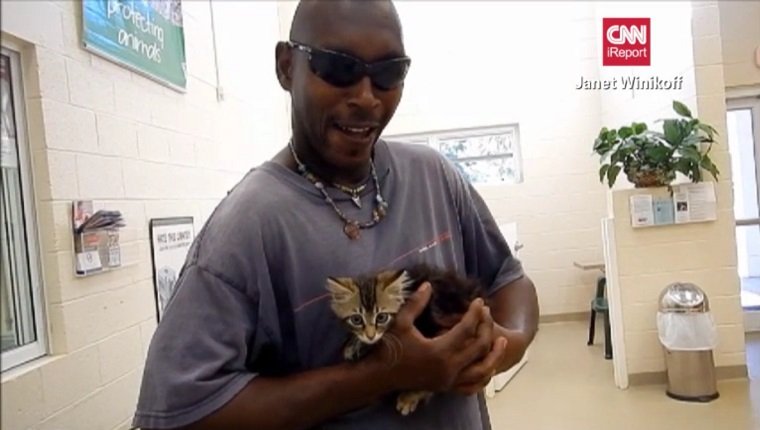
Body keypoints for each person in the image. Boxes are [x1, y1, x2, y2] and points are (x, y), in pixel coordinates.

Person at [132, 1, 539, 429]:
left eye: (388, 73)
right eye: (337, 68)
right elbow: (180, 413)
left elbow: (508, 280)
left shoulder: (434, 176)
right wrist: (384, 374)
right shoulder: (247, 227)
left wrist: (501, 347)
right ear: (287, 67)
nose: (366, 97)